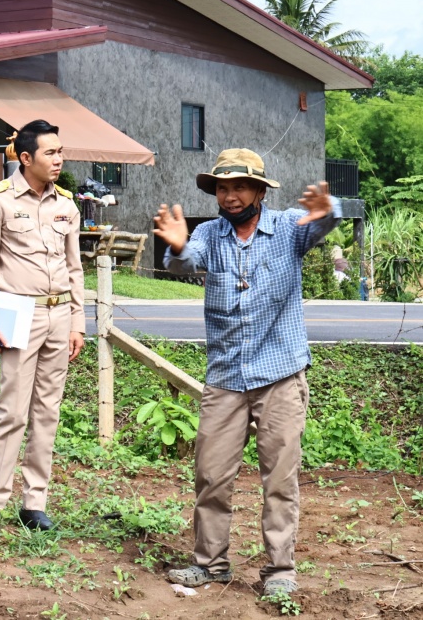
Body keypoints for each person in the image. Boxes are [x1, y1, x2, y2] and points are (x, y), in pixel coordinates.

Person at [153, 148, 341, 599]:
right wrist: (176, 246)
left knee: (279, 479)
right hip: (226, 377)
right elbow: (185, 261)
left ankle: (280, 570)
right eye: (222, 188)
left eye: (239, 187)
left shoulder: (288, 229)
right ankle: (210, 563)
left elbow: (323, 222)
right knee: (211, 475)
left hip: (280, 374)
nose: (230, 196)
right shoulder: (209, 234)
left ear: (259, 191)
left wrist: (329, 208)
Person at [0, 119, 86, 535]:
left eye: (60, 152)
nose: (58, 160)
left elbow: (75, 268)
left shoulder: (66, 204)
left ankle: (34, 503)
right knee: (12, 411)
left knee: (47, 413)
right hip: (19, 314)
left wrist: (77, 322)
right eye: (50, 153)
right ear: (25, 157)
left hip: (59, 316)